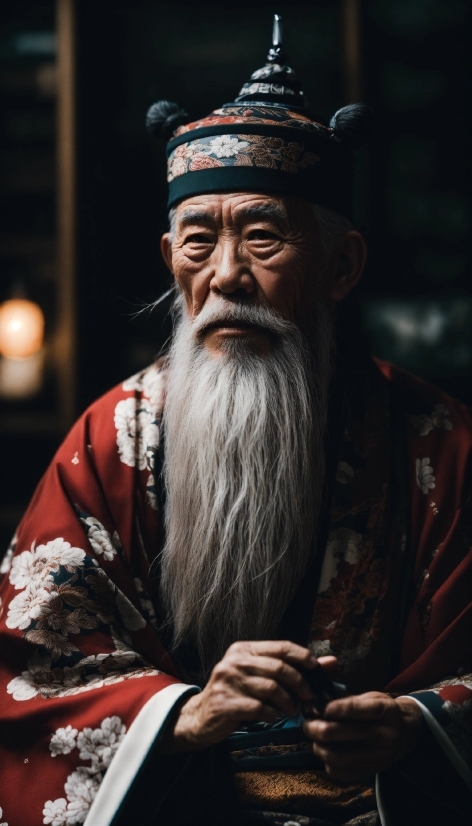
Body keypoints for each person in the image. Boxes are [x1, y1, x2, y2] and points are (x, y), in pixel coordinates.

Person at [0, 17, 471, 826]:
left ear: (343, 265)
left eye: (263, 237)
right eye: (198, 242)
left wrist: (415, 723)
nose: (226, 276)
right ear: (168, 259)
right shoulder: (110, 440)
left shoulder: (436, 441)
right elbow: (33, 666)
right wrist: (182, 713)